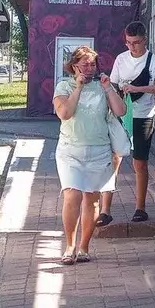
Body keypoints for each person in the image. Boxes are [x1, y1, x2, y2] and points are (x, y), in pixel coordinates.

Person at [53, 46, 127, 265]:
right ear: (74, 65)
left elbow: (121, 111)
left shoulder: (103, 86)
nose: (89, 68)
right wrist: (78, 88)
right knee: (72, 195)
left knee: (92, 201)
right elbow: (65, 113)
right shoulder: (64, 86)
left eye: (92, 64)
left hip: (99, 150)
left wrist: (108, 89)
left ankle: (84, 246)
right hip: (70, 151)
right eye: (84, 64)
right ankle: (69, 245)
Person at [98, 21, 155, 226]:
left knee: (140, 162)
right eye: (128, 43)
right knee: (114, 160)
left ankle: (140, 208)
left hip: (144, 115)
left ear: (144, 40)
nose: (132, 47)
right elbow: (112, 84)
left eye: (136, 43)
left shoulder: (154, 61)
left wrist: (140, 89)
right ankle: (105, 210)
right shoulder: (121, 59)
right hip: (121, 115)